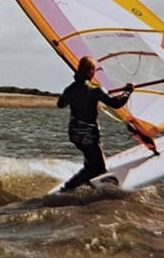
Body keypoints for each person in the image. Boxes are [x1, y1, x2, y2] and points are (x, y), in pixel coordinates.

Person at [56, 56, 133, 192]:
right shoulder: (95, 89)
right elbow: (116, 103)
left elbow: (60, 104)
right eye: (95, 70)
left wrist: (72, 95)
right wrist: (127, 91)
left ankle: (83, 185)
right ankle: (68, 188)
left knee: (91, 165)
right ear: (91, 71)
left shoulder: (70, 89)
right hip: (88, 136)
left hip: (74, 134)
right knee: (98, 168)